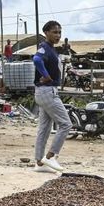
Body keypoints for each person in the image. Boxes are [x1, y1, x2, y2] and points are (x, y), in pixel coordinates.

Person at [32, 20, 70, 173]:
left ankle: (39, 163)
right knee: (66, 124)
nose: (58, 35)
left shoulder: (52, 49)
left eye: (59, 32)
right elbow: (36, 59)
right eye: (54, 32)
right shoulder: (44, 47)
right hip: (47, 91)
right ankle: (51, 156)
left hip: (42, 92)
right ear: (46, 33)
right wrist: (46, 76)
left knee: (44, 129)